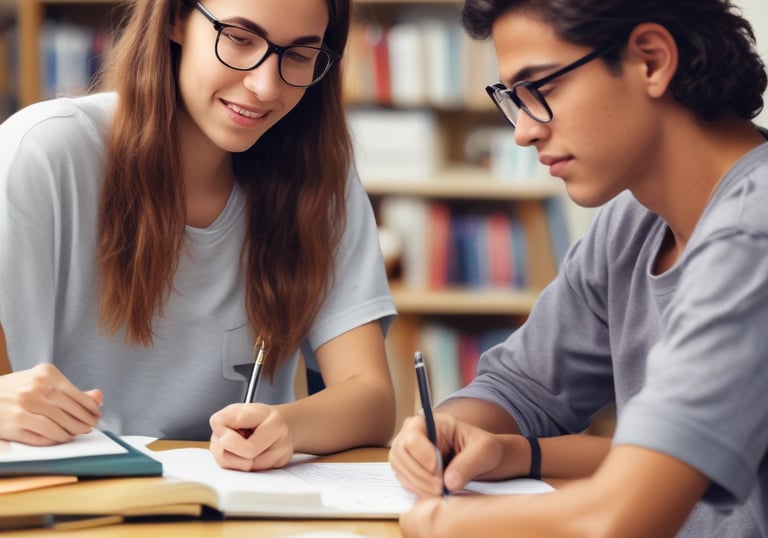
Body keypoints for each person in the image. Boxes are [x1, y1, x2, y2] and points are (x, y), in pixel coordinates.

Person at [388, 0, 768, 536]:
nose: (523, 132)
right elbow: (519, 388)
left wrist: (447, 523)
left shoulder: (755, 232)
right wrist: (447, 434)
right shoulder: (631, 224)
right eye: (512, 100)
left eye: (540, 89)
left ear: (652, 61)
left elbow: (616, 519)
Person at [0, 0, 397, 472]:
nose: (264, 86)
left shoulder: (320, 181)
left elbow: (371, 398)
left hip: (229, 506)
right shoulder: (42, 153)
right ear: (174, 19)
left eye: (298, 55)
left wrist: (285, 425)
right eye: (239, 39)